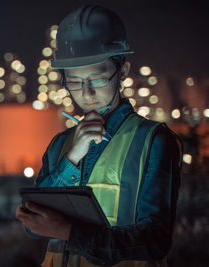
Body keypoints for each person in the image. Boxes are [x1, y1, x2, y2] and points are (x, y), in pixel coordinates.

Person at [16, 4, 182, 267]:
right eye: (74, 82)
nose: (86, 93)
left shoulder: (153, 141)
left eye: (98, 78)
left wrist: (69, 232)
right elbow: (33, 226)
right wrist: (72, 158)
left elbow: (155, 240)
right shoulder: (61, 145)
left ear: (123, 70)